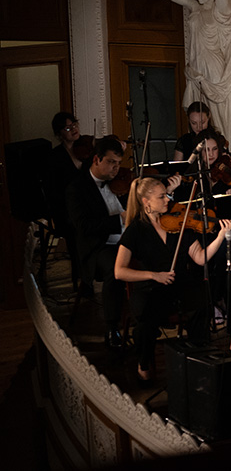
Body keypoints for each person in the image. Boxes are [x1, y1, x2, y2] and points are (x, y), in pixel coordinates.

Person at [114, 177, 231, 383]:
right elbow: (119, 271)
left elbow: (200, 258)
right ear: (146, 202)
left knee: (202, 304)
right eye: (162, 197)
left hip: (179, 284)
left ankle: (199, 358)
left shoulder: (180, 224)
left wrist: (221, 236)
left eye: (167, 195)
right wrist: (154, 275)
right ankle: (143, 361)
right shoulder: (136, 230)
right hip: (150, 287)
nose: (168, 200)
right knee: (145, 319)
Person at [64, 136, 130, 349]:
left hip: (125, 240)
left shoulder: (121, 182)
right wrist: (118, 219)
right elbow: (84, 227)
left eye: (118, 163)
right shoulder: (77, 188)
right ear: (96, 160)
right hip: (98, 247)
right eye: (111, 162)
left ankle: (146, 316)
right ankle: (112, 328)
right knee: (115, 267)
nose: (115, 169)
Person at [163, 0, 231, 137]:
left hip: (213, 66)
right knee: (196, 117)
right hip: (196, 65)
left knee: (216, 116)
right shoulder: (194, 7)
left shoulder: (219, 12)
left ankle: (221, 149)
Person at [45, 112, 85, 287]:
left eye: (74, 124)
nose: (73, 129)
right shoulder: (55, 157)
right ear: (59, 133)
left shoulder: (87, 149)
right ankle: (81, 279)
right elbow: (54, 191)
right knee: (76, 232)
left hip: (87, 206)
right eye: (68, 127)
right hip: (67, 210)